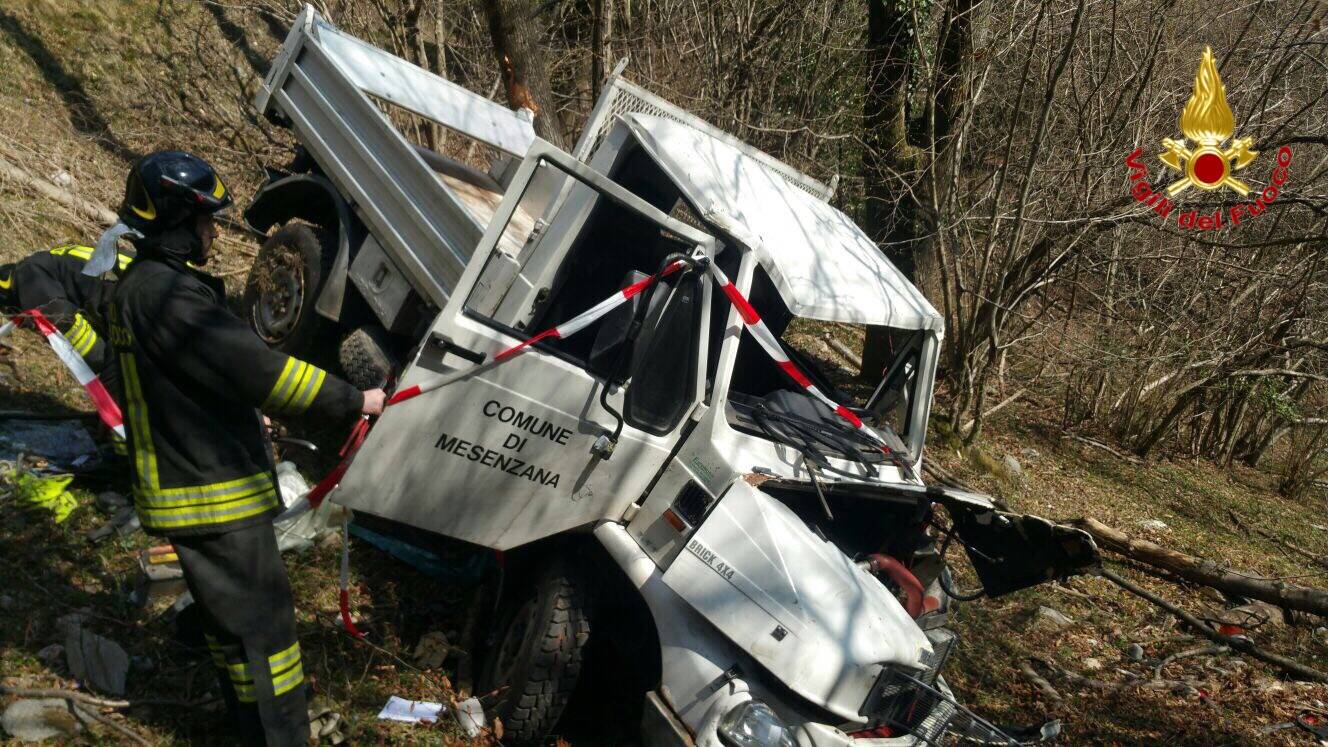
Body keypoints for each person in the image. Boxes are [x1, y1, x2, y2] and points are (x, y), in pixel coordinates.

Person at [103, 150, 386, 746]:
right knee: (266, 634)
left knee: (232, 630)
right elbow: (262, 371)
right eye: (205, 220)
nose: (213, 232)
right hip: (211, 497)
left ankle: (247, 724)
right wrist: (353, 401)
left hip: (193, 491)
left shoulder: (141, 289)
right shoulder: (167, 297)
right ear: (177, 221)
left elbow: (193, 379)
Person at [0, 243, 133, 372]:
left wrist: (106, 366)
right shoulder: (44, 265)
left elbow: (62, 319)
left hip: (126, 290)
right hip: (130, 277)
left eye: (7, 312)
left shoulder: (27, 278)